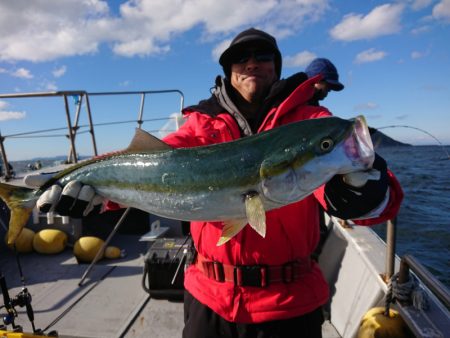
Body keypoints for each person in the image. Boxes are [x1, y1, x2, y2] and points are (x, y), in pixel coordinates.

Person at [35, 28, 403, 338]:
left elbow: (366, 197)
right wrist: (93, 194)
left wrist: (362, 191)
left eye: (263, 55)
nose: (252, 62)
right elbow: (155, 166)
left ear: (276, 67)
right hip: (209, 297)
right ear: (228, 70)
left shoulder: (310, 120)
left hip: (291, 302)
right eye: (240, 57)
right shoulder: (199, 124)